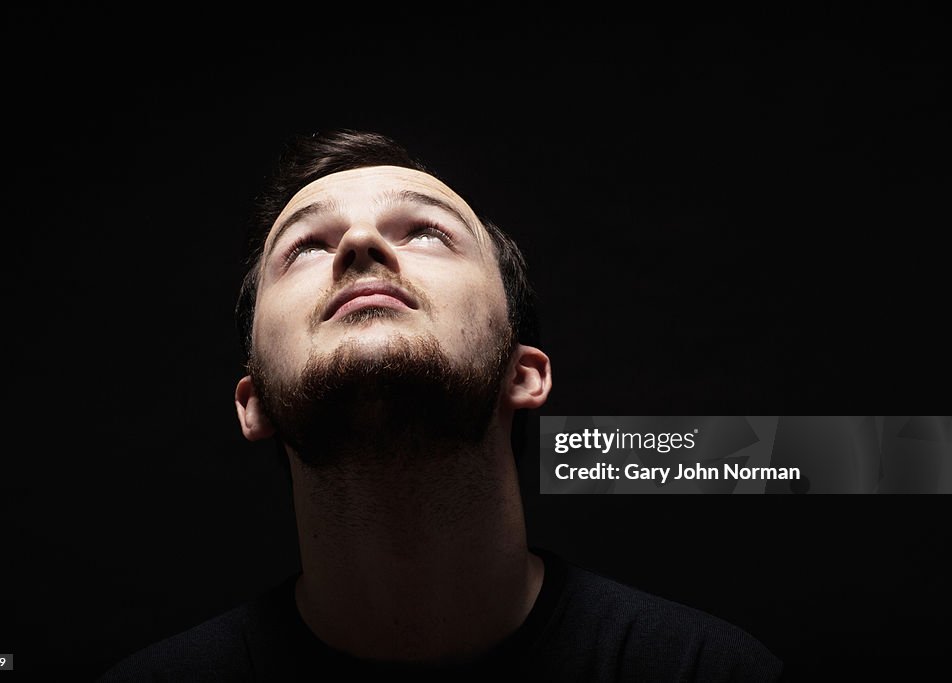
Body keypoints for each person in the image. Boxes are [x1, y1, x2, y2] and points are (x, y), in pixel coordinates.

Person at [98, 130, 784, 682]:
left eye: (424, 231)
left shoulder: (705, 670)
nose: (360, 245)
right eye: (305, 245)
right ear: (253, 402)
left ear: (525, 373)